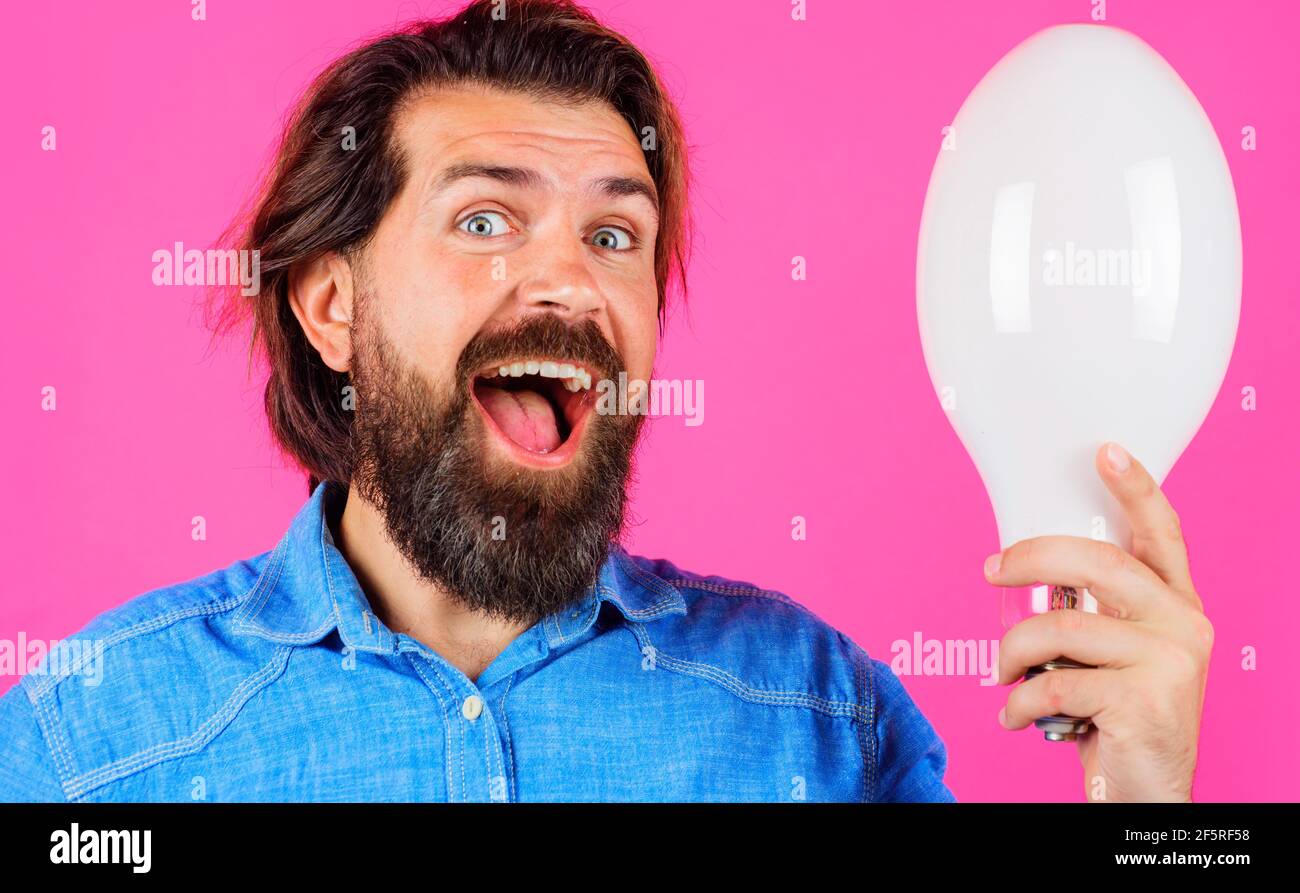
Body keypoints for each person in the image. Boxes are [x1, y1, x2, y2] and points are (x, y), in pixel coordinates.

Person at [0, 0, 1212, 803]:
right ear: (331, 307)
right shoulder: (86, 751)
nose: (571, 279)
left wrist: (1152, 811)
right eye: (485, 219)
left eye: (615, 232)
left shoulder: (822, 723)